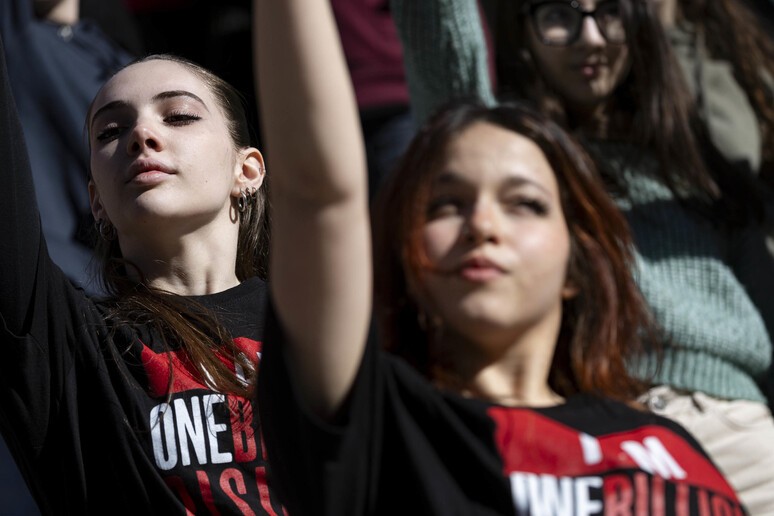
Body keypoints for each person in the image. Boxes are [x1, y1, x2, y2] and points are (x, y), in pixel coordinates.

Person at [252, 0, 747, 513]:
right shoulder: (372, 424)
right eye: (445, 205)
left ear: (577, 262)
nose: (482, 226)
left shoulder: (671, 452)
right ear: (406, 251)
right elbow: (317, 196)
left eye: (525, 204)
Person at [389, 0, 774, 512]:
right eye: (559, 15)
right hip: (615, 429)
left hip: (743, 428)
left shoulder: (698, 163)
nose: (589, 38)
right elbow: (443, 53)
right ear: (523, 29)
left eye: (609, 13)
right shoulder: (517, 158)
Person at [0, 30, 284, 512]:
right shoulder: (65, 346)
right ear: (96, 201)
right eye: (109, 133)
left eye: (179, 116)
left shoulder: (316, 329)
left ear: (249, 170)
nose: (141, 135)